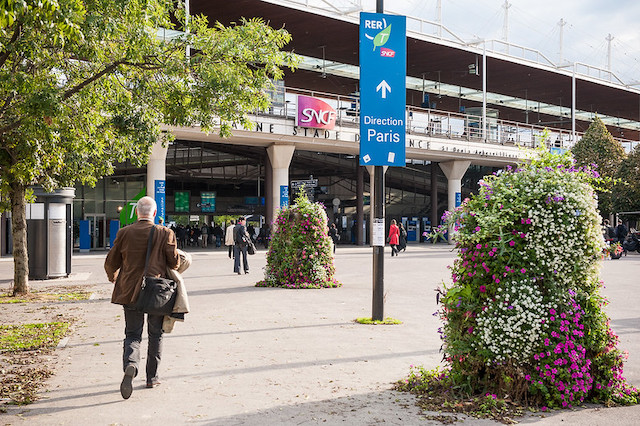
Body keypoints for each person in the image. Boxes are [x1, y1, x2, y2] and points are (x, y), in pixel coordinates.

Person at [104, 196, 180, 399]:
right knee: (156, 334)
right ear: (154, 213)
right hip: (157, 291)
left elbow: (111, 261)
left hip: (129, 291)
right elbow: (174, 263)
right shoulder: (165, 233)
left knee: (132, 334)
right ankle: (152, 377)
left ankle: (131, 364)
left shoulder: (124, 232)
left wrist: (113, 278)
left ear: (137, 212)